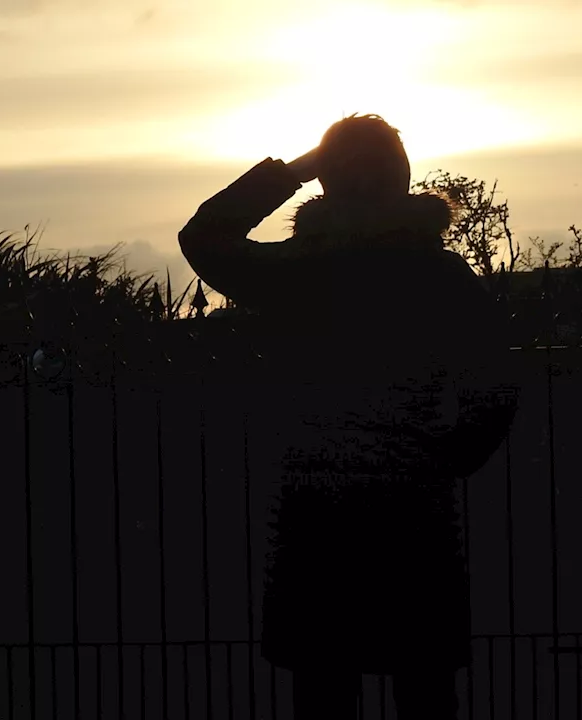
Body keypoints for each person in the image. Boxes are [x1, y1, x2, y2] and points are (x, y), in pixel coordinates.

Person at [179, 114, 519, 718]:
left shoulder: (300, 273)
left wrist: (299, 168)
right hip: (414, 508)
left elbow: (203, 237)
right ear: (403, 178)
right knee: (425, 690)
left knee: (325, 691)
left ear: (328, 184)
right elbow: (494, 378)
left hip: (320, 506)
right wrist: (451, 455)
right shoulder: (438, 275)